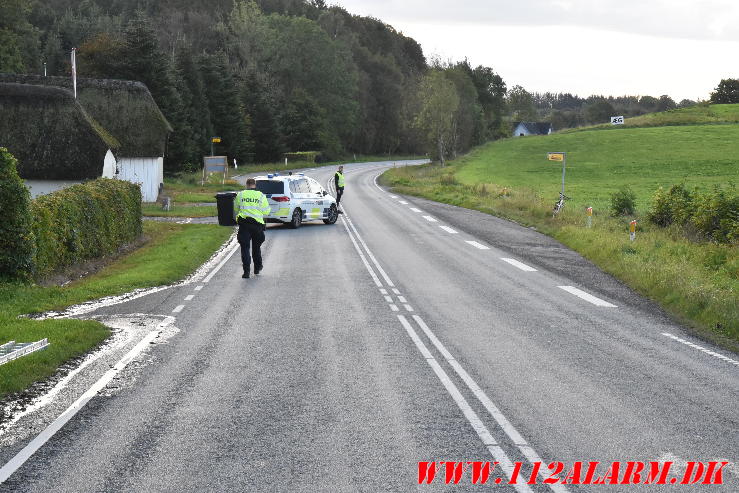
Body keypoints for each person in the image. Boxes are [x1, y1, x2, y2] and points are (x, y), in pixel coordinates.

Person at [234, 178, 271, 278]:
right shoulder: (260, 195)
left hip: (244, 225)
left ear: (246, 185)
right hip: (257, 225)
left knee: (245, 248)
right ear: (255, 184)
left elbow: (236, 209)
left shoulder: (240, 194)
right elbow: (267, 211)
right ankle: (257, 268)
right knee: (256, 247)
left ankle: (246, 272)